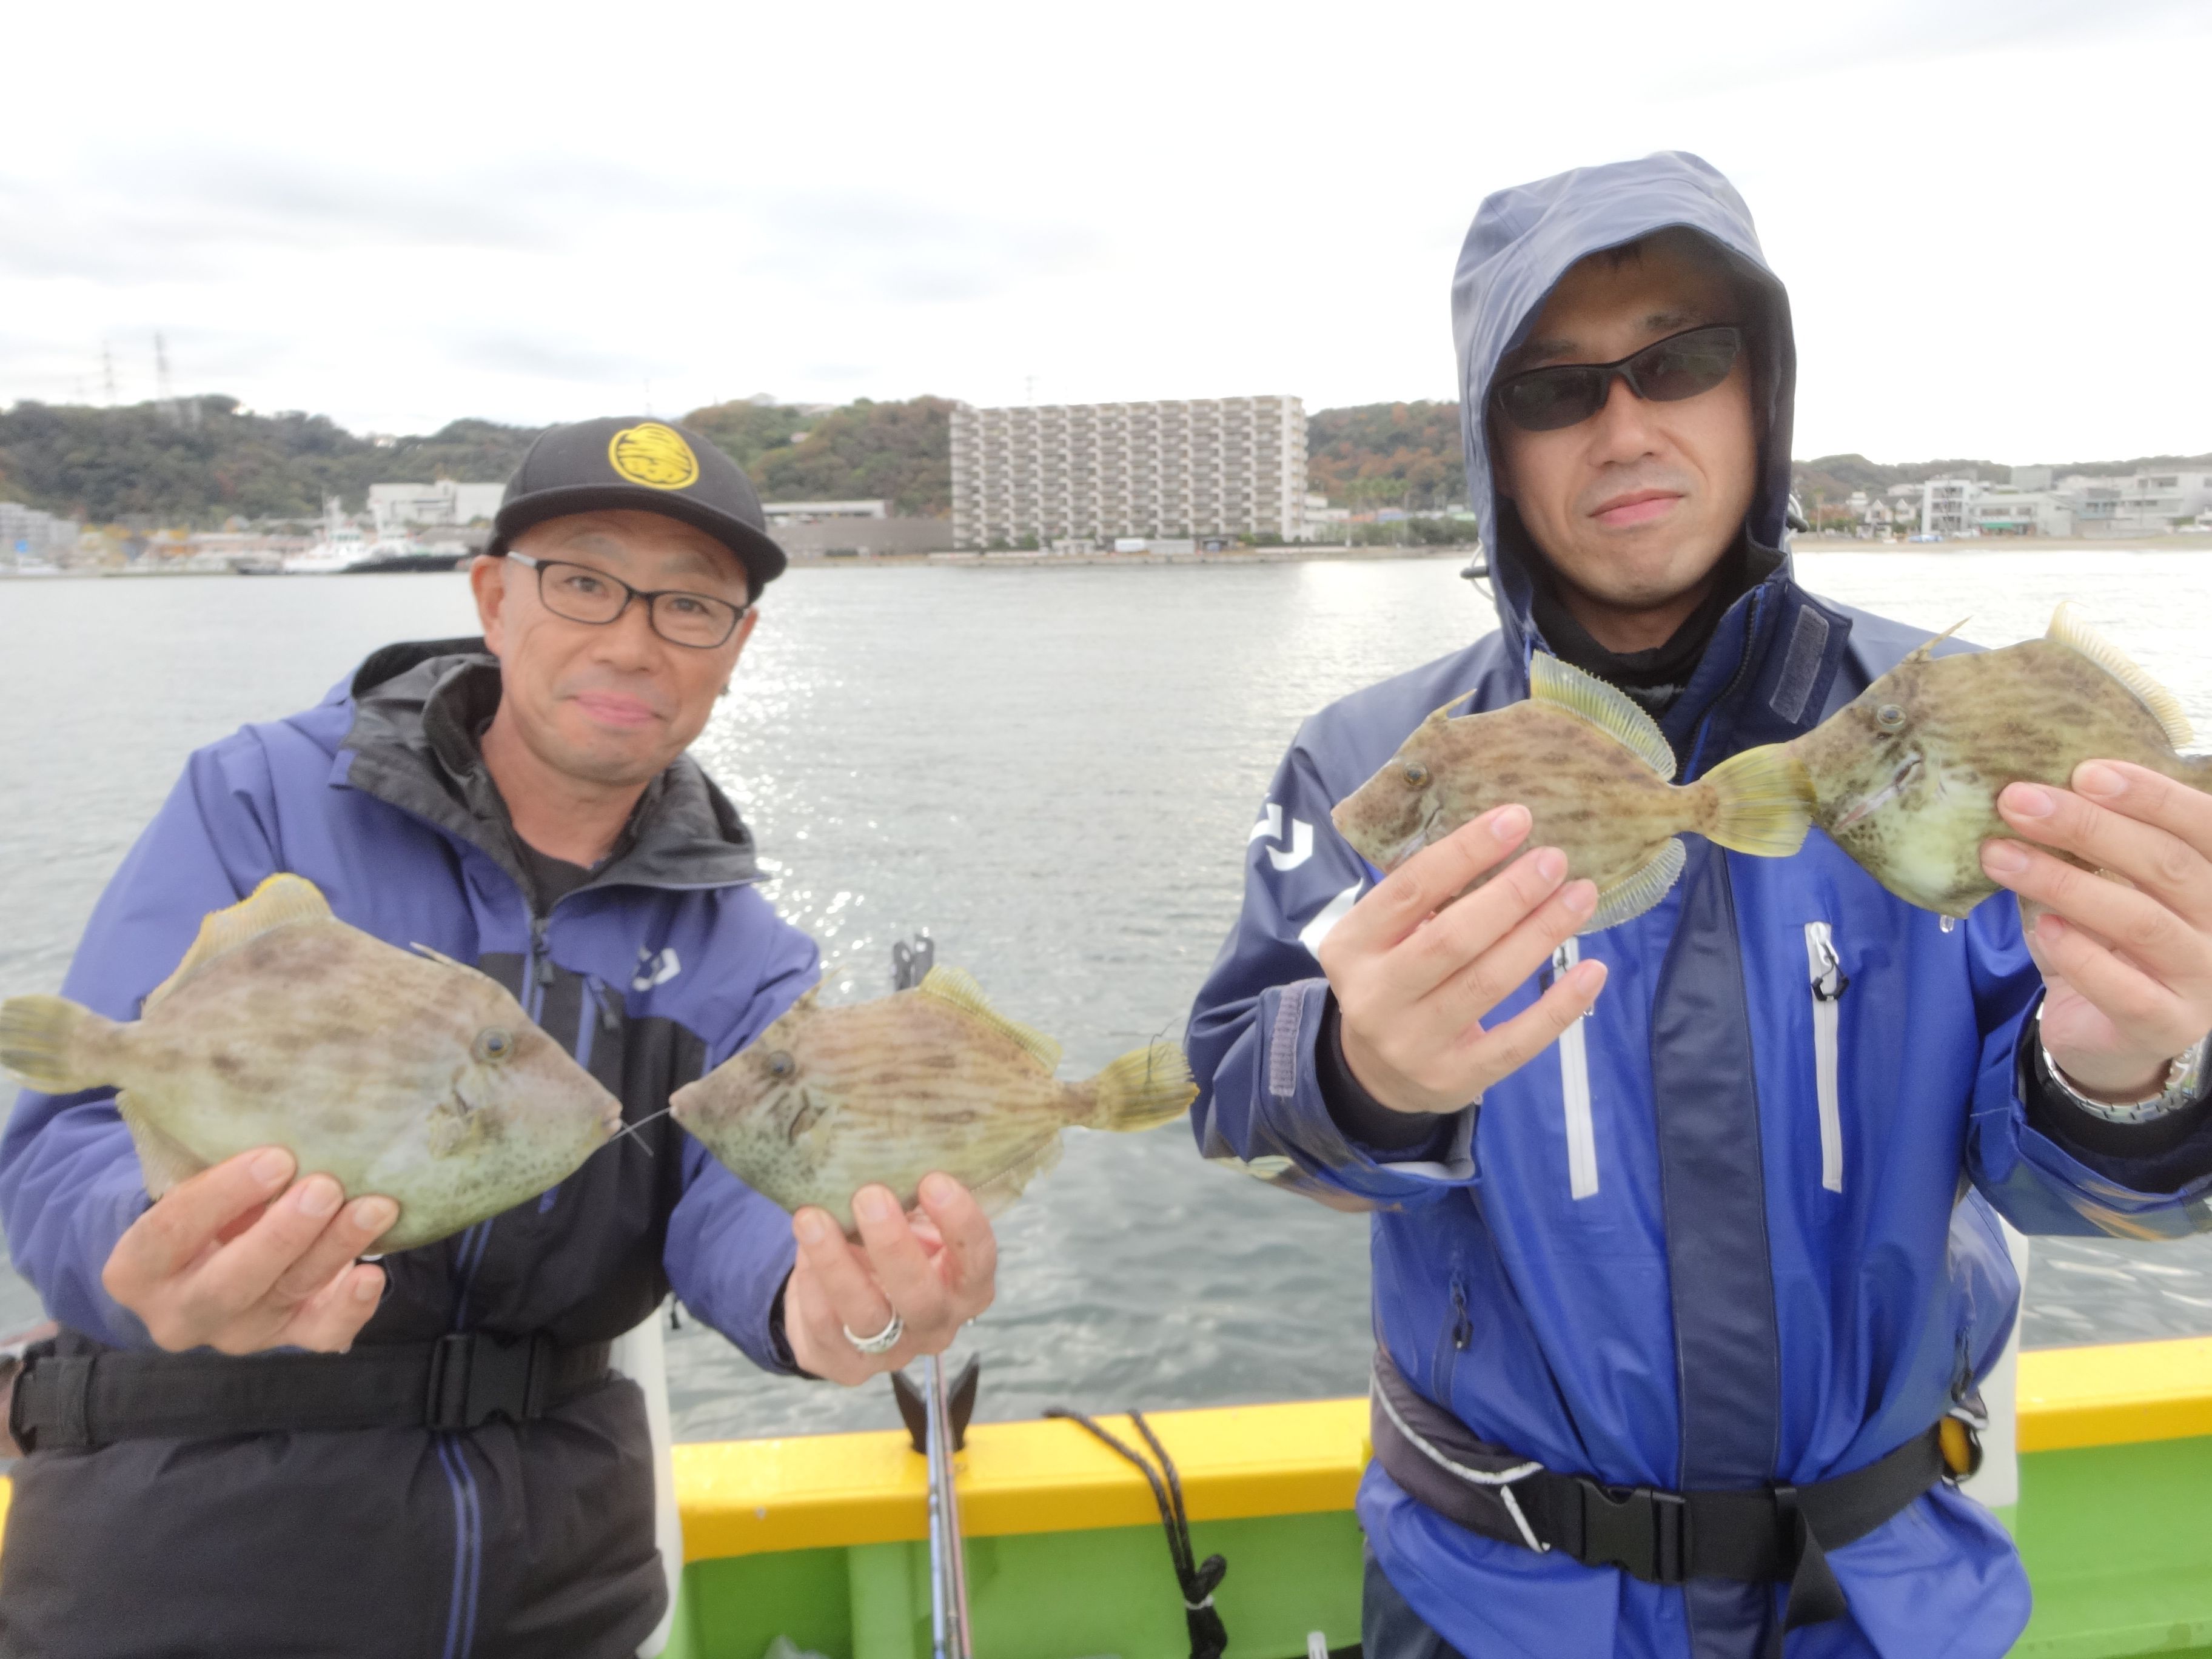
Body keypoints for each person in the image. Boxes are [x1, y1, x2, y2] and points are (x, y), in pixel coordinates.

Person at [1187, 152, 2212, 1658]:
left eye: (1682, 359)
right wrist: (1362, 1080)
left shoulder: (1943, 728)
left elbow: (2093, 1190)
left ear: (1762, 391)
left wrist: (2129, 1071)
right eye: (1555, 389)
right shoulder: (1368, 763)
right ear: (1492, 444)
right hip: (1493, 1601)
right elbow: (1240, 1108)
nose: (1626, 426)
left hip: (1875, 1601)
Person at [0, 417, 999, 1657]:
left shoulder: (746, 950)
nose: (631, 639)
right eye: (583, 581)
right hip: (185, 1556)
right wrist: (149, 1240)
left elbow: (738, 1201)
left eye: (691, 605)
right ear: (492, 598)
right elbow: (72, 1140)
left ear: (737, 649)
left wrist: (826, 1301)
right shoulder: (261, 798)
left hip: (557, 1586)